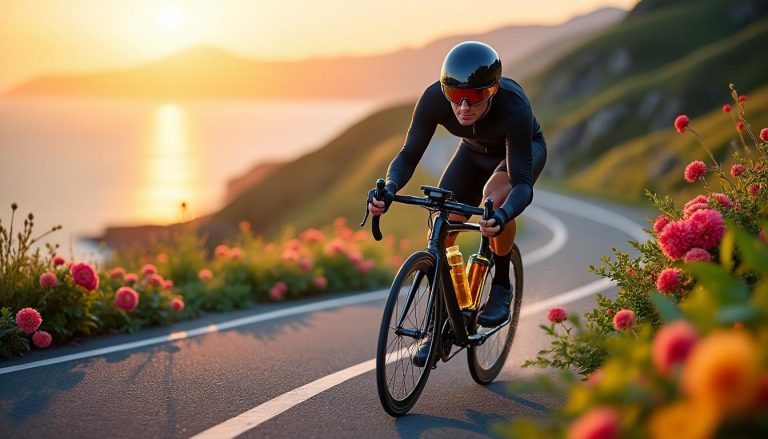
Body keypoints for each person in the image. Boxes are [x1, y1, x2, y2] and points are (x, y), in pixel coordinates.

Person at [367, 41, 547, 366]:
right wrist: (389, 189)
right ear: (444, 89)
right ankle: (439, 326)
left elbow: (521, 184)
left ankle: (502, 284)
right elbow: (408, 155)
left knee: (494, 198)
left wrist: (503, 214)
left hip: (519, 154)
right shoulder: (433, 98)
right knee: (443, 217)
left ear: (492, 90)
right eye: (454, 96)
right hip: (472, 152)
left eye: (475, 97)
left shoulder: (514, 107)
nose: (463, 107)